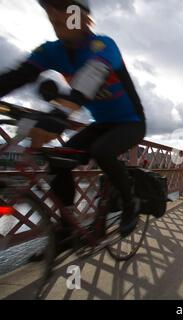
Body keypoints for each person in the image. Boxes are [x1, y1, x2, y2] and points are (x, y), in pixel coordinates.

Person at [0, 0, 147, 237]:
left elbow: (90, 76)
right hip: (102, 124)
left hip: (131, 122)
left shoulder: (103, 46)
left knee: (102, 151)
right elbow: (19, 75)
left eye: (64, 9)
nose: (56, 16)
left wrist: (59, 114)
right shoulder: (50, 51)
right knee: (59, 160)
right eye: (50, 9)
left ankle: (131, 204)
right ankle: (67, 227)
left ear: (85, 16)